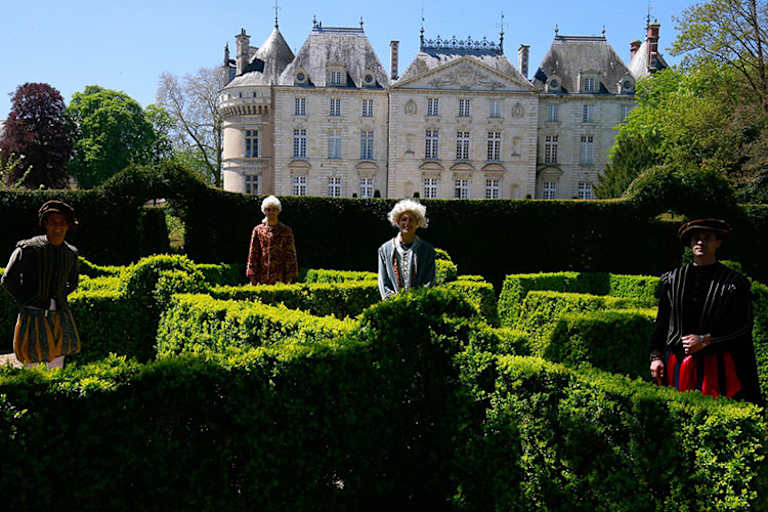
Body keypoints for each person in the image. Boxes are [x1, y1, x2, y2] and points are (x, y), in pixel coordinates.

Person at [649, 218, 762, 403]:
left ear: (718, 242)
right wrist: (656, 356)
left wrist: (705, 340)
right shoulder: (672, 279)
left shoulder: (734, 283)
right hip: (675, 362)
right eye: (696, 238)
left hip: (717, 366)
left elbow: (743, 326)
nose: (700, 242)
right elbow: (662, 323)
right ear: (690, 244)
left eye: (707, 238)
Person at [1, 200, 81, 368]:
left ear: (67, 226)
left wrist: (59, 296)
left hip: (59, 314)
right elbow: (8, 280)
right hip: (33, 313)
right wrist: (27, 300)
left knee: (57, 361)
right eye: (53, 223)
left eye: (62, 223)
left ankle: (54, 393)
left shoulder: (70, 253)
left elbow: (73, 282)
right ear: (45, 224)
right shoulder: (28, 249)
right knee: (32, 361)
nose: (57, 228)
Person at [378, 199, 436, 300]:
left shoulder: (428, 251)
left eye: (411, 220)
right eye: (404, 219)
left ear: (418, 223)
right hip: (393, 308)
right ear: (397, 221)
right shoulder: (385, 250)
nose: (407, 223)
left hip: (419, 307)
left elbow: (429, 281)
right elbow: (383, 281)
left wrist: (417, 301)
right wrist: (392, 301)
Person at [246, 195, 298, 285]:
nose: (271, 212)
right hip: (261, 277)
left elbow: (290, 254)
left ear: (278, 211)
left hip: (280, 277)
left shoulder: (286, 231)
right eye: (268, 209)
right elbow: (253, 253)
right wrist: (252, 275)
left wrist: (290, 275)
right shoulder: (258, 230)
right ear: (264, 211)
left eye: (274, 209)